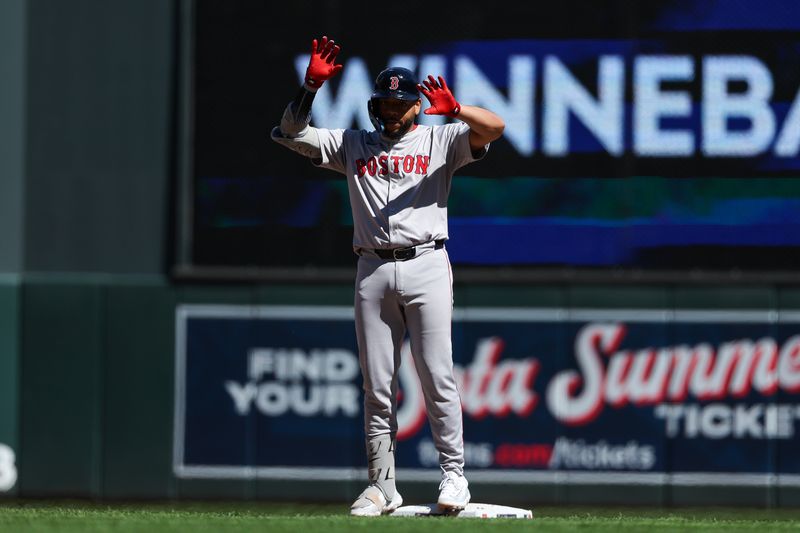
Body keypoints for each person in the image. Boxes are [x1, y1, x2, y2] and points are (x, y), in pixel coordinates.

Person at [271, 36, 505, 516]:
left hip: (426, 262)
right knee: (378, 385)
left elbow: (496, 128)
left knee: (437, 374)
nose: (392, 111)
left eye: (400, 103)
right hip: (372, 266)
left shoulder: (441, 139)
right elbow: (291, 133)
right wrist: (311, 86)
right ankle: (382, 484)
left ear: (415, 107)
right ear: (375, 105)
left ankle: (454, 476)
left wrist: (457, 109)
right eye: (384, 102)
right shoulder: (353, 143)